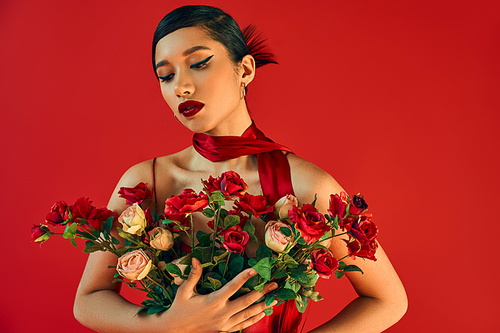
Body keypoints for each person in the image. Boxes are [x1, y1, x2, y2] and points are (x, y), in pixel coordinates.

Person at [73, 5, 407, 333]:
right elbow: (88, 301)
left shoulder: (306, 185)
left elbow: (388, 300)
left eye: (199, 63)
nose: (181, 87)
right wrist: (167, 325)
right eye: (166, 75)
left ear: (245, 69)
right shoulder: (148, 182)